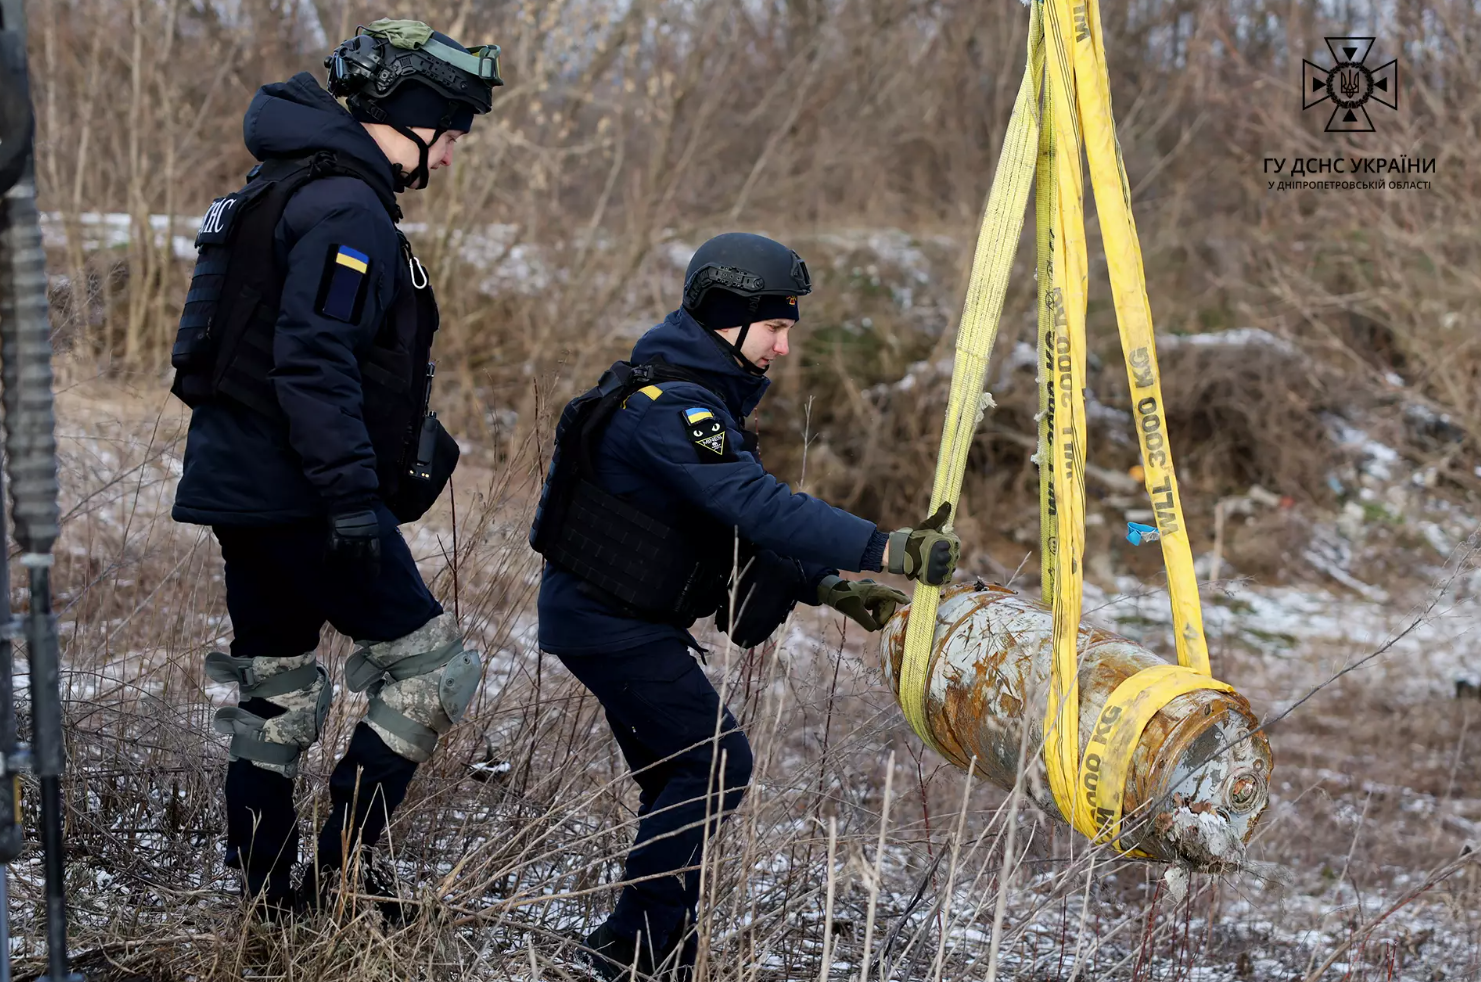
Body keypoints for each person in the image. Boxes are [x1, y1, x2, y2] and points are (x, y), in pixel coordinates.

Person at [530, 232, 961, 979]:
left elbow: (721, 523)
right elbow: (753, 505)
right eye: (774, 327)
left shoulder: (695, 396)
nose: (783, 347)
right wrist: (885, 548)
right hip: (609, 623)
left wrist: (823, 583)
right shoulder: (670, 408)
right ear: (723, 318)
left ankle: (657, 945)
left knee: (680, 776)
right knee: (714, 763)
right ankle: (633, 948)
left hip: (618, 619)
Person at [168, 20, 502, 915]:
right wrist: (352, 497)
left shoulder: (277, 184)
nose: (453, 153)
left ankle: (268, 895)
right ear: (410, 117)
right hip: (307, 495)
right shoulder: (348, 207)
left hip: (243, 487)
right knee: (434, 670)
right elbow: (312, 361)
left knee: (274, 686)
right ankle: (341, 874)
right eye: (452, 131)